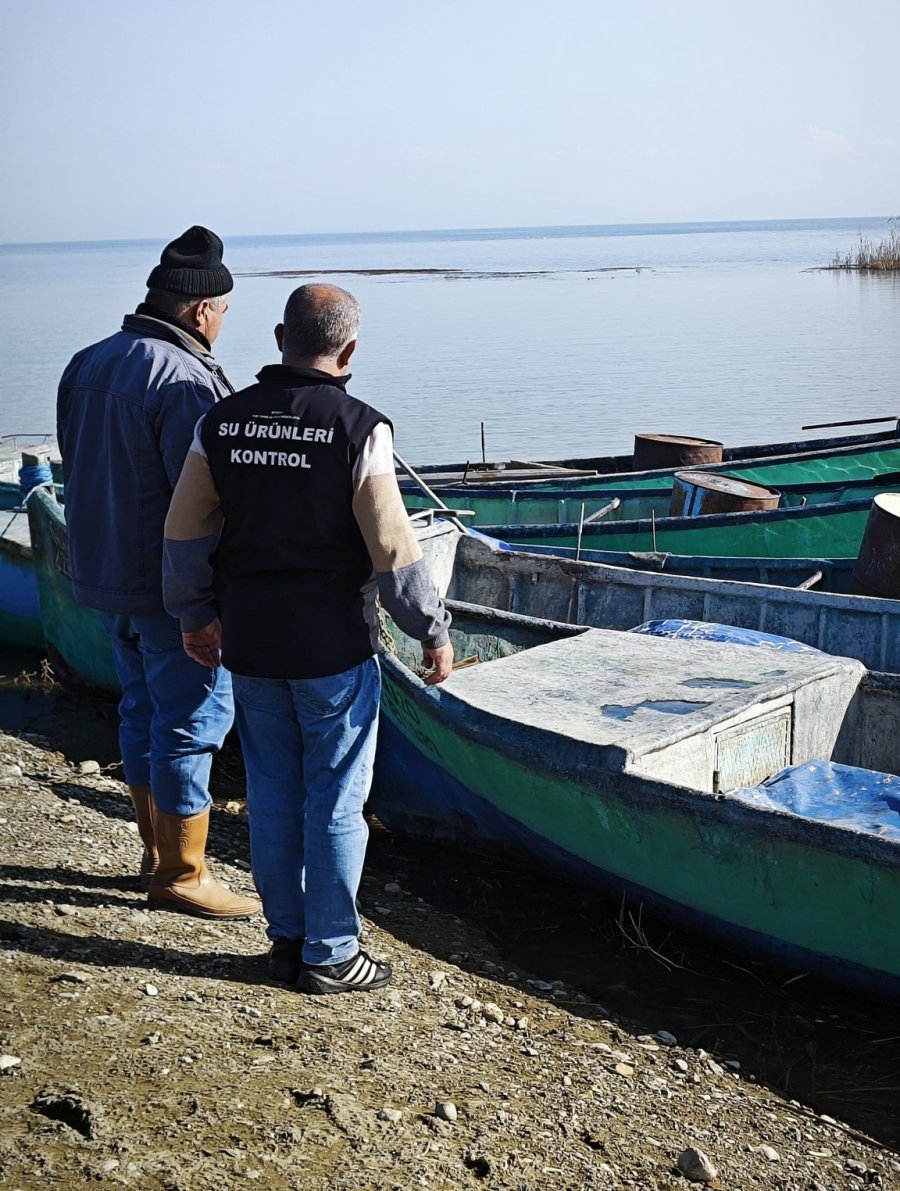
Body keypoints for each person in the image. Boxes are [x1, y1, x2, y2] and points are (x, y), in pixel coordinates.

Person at [162, 283, 453, 993]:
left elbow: (184, 530)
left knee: (274, 794)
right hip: (332, 648)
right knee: (334, 799)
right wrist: (432, 629)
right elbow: (392, 548)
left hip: (252, 646)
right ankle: (331, 952)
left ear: (277, 336)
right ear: (348, 349)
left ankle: (287, 940)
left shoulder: (222, 422)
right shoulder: (360, 428)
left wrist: (192, 613)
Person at [56, 226, 259, 920]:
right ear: (202, 310)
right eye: (225, 313)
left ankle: (154, 853)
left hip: (103, 575)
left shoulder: (86, 363)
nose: (223, 325)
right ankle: (182, 870)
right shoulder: (184, 381)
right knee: (192, 720)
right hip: (170, 590)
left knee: (141, 711)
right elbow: (203, 504)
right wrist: (205, 601)